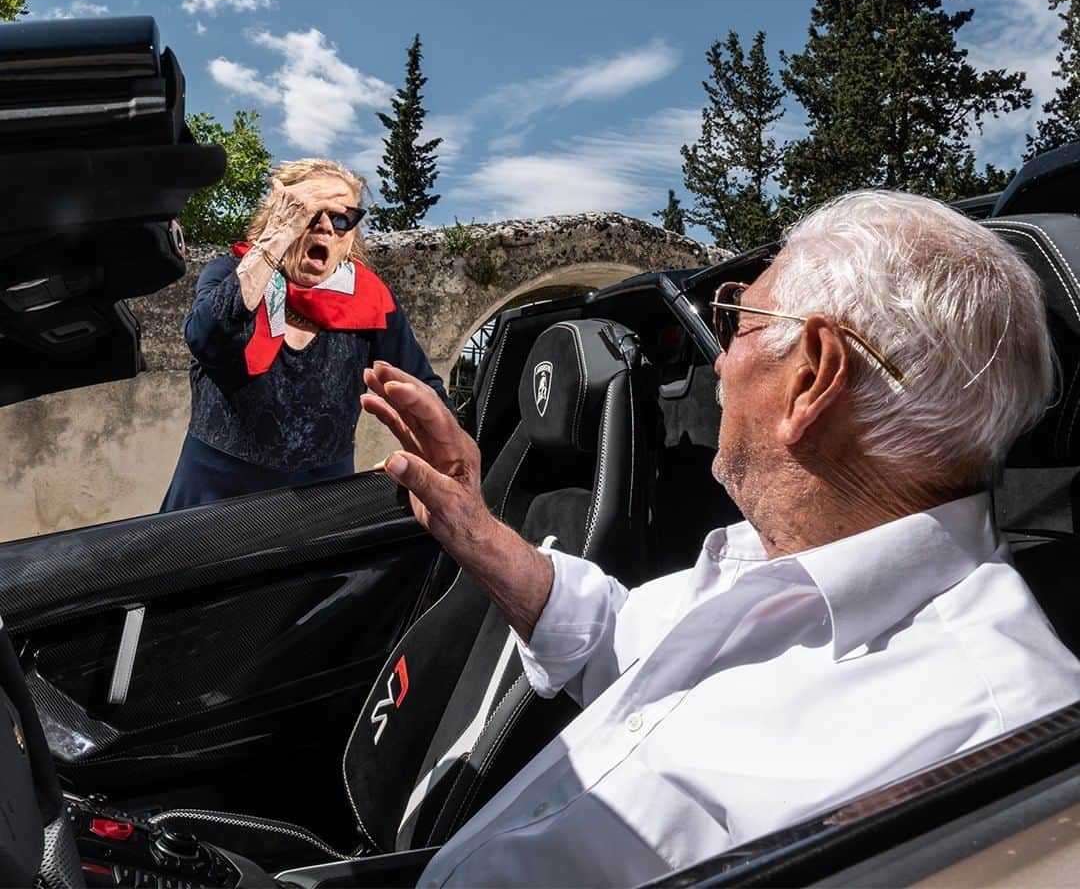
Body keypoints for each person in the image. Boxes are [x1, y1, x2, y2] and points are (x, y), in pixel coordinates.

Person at [360, 190, 1080, 887]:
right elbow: (613, 637)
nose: (719, 363)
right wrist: (476, 527)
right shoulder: (774, 562)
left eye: (736, 319)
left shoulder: (999, 743)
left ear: (814, 377)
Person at [162, 158, 449, 511]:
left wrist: (447, 462)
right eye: (310, 213)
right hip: (214, 502)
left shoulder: (369, 302)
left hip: (319, 511)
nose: (327, 227)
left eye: (343, 219)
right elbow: (207, 338)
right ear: (280, 215)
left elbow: (423, 389)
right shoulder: (230, 274)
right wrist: (275, 240)